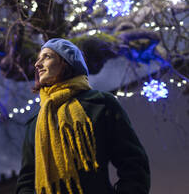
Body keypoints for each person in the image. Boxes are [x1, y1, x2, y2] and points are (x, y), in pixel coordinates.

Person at [16, 38, 150, 194]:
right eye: (38, 59)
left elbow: (133, 163)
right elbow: (26, 181)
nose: (37, 64)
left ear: (66, 62)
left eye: (47, 56)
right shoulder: (36, 123)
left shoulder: (100, 104)